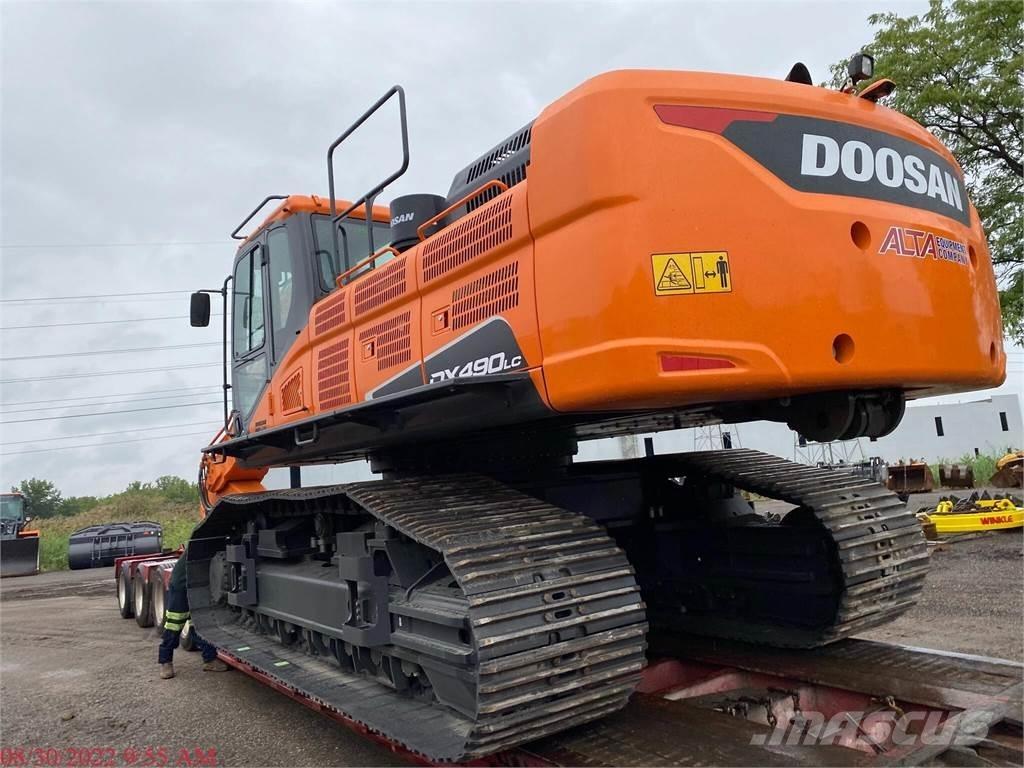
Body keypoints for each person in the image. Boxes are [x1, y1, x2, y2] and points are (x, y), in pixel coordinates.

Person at [159, 553, 229, 679]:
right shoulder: (205, 545)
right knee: (175, 624)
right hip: (181, 585)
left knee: (200, 623)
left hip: (196, 585)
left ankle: (209, 660)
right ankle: (166, 662)